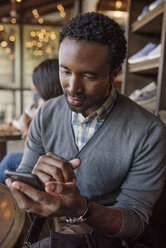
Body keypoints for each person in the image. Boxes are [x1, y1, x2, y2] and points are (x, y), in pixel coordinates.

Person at [6, 12, 166, 247]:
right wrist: (28, 184)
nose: (72, 87)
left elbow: (135, 222)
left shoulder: (148, 131)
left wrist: (81, 207)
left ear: (114, 74)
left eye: (88, 75)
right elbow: (22, 180)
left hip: (103, 238)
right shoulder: (46, 113)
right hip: (47, 226)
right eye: (65, 71)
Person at [0, 58, 62, 184]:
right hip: (47, 160)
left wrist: (25, 129)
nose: (33, 87)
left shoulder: (50, 110)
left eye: (36, 84)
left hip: (51, 163)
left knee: (9, 160)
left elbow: (42, 151)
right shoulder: (44, 104)